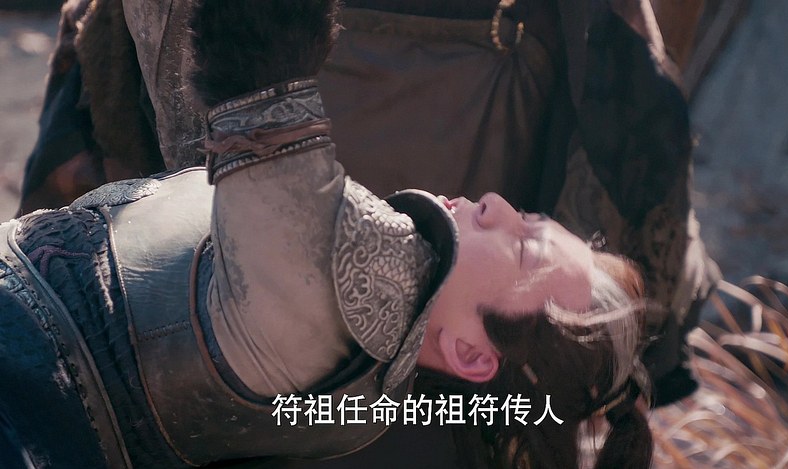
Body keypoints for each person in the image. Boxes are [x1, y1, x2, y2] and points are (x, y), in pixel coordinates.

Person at [0, 1, 653, 468]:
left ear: (471, 354)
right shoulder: (363, 412)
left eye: (524, 247)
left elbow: (253, 39)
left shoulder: (354, 272)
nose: (496, 205)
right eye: (531, 218)